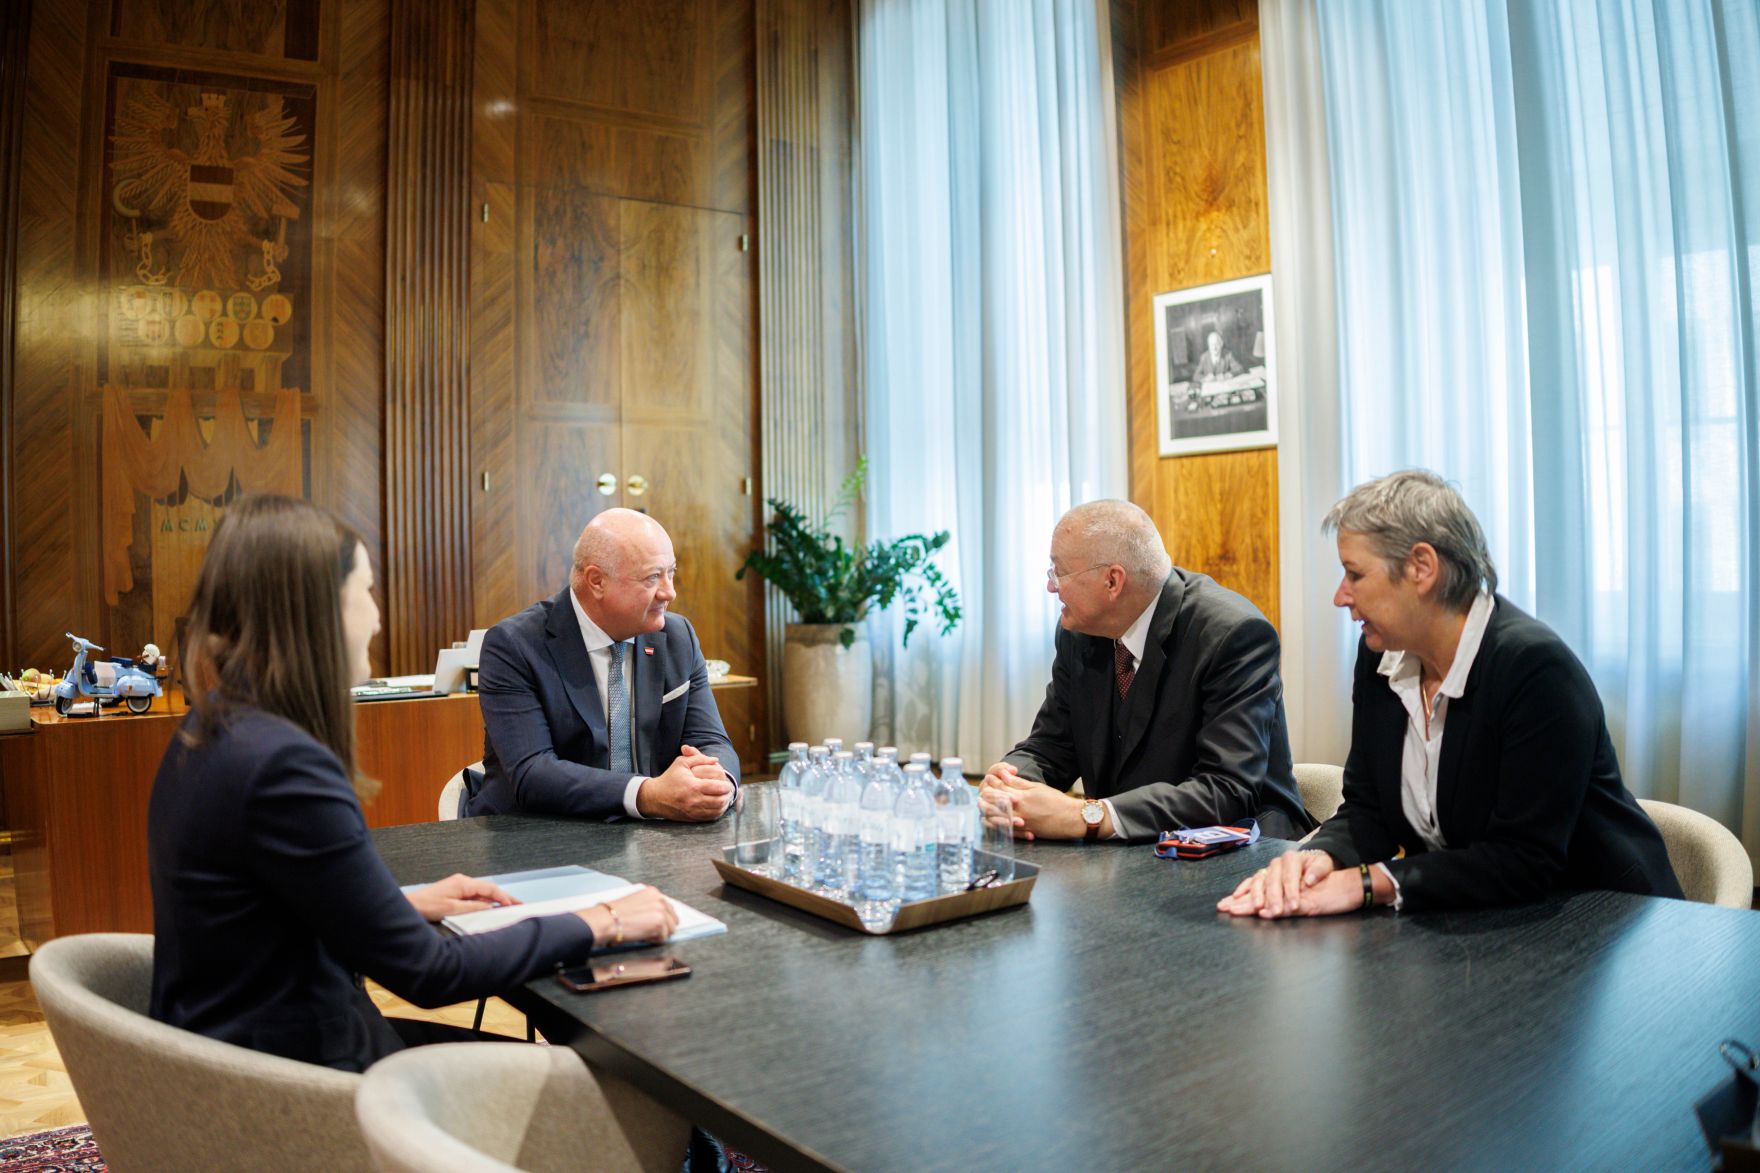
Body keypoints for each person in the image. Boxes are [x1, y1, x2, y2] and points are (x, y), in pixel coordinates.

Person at [148, 494, 678, 1072]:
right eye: (365, 593)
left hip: (247, 1051)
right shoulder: (284, 769)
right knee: (612, 1084)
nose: (377, 617)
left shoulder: (214, 727)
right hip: (307, 1086)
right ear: (316, 612)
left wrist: (396, 904)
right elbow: (430, 973)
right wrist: (602, 921)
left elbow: (269, 907)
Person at [1219, 470, 1682, 919]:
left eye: (1354, 574)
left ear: (1422, 567)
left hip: (1605, 920)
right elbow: (1369, 809)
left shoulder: (1535, 668)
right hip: (1473, 919)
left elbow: (1524, 862)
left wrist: (1369, 883)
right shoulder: (1379, 655)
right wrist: (1319, 857)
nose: (1341, 596)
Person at [982, 499, 1313, 843]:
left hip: (1240, 845)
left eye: (1059, 572)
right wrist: (1009, 783)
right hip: (1128, 848)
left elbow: (1225, 790)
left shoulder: (1232, 634)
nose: (1051, 586)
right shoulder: (1079, 633)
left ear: (1112, 581)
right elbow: (1052, 745)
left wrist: (1086, 815)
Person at [469, 508, 739, 820]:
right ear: (597, 581)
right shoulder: (515, 645)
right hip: (536, 837)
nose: (669, 592)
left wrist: (720, 786)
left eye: (671, 573)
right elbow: (533, 773)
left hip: (649, 840)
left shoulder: (678, 637)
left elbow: (711, 741)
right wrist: (647, 794)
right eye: (653, 577)